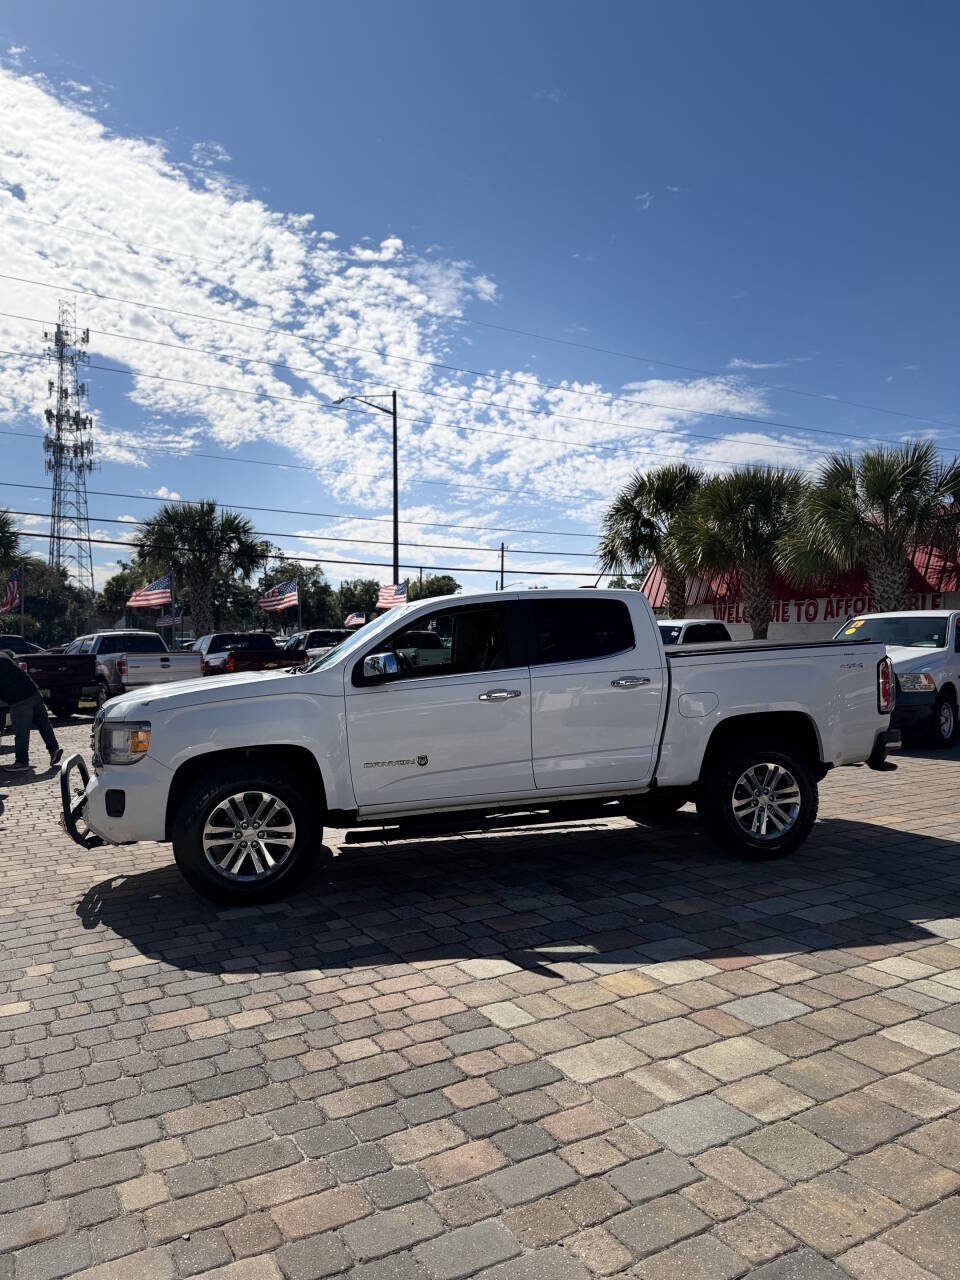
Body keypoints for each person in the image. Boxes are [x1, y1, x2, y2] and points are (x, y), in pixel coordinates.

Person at [0, 649, 62, 773]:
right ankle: (54, 749)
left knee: (21, 731)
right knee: (44, 724)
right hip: (34, 691)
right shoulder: (2, 654)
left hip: (20, 699)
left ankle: (22, 762)